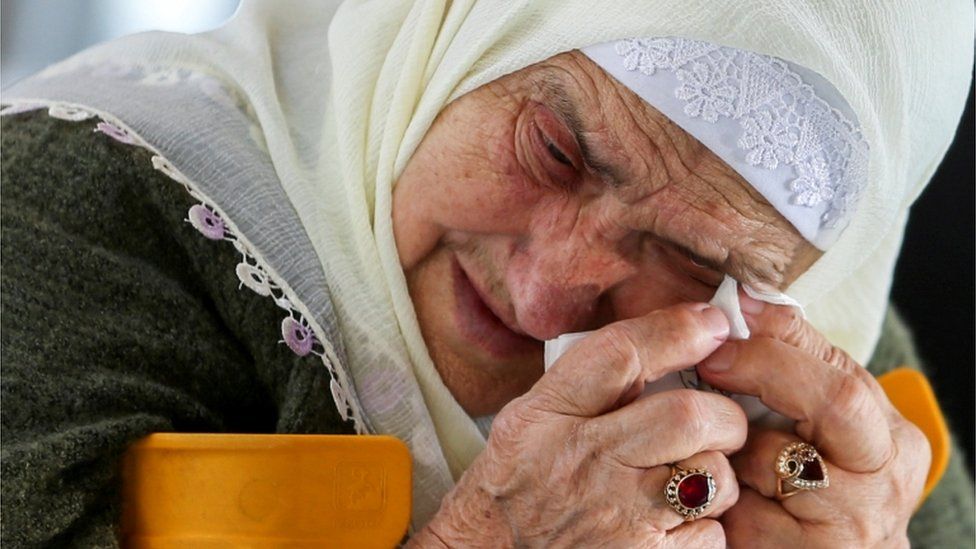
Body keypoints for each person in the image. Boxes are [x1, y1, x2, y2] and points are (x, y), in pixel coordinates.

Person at [1, 1, 972, 546]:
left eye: (686, 257)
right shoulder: (65, 213)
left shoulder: (790, 358)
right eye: (555, 151)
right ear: (455, 34)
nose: (550, 293)